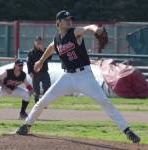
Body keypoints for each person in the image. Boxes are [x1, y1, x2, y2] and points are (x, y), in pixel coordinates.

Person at [16, 10, 140, 143]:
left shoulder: (74, 33)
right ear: (58, 23)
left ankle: (127, 130)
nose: (70, 21)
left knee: (105, 102)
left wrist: (96, 29)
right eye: (66, 19)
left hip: (84, 76)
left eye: (70, 19)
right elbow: (51, 48)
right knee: (42, 101)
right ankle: (27, 125)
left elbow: (87, 28)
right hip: (67, 77)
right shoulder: (57, 39)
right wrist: (40, 61)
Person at [27, 36, 51, 103]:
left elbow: (50, 58)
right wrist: (30, 72)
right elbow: (28, 63)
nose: (39, 43)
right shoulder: (31, 52)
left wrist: (43, 50)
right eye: (37, 42)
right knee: (36, 90)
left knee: (47, 86)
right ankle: (36, 103)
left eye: (40, 42)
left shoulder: (45, 50)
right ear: (34, 43)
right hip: (35, 73)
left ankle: (44, 102)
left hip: (44, 72)